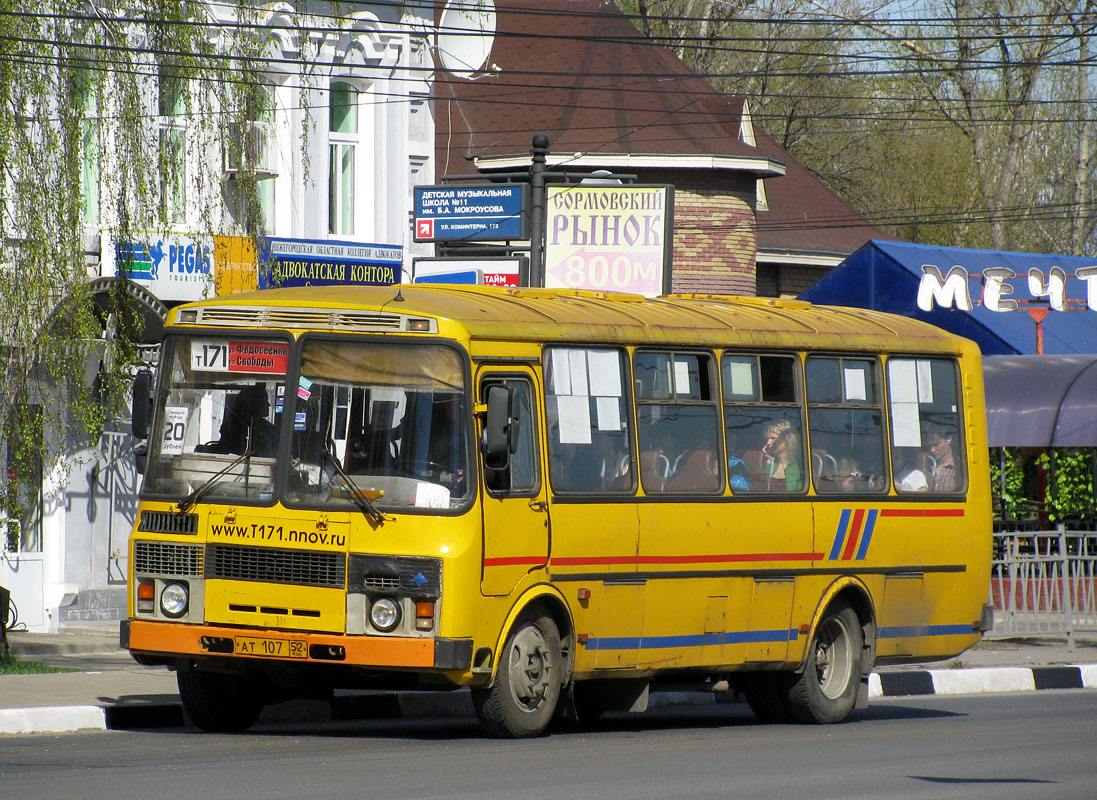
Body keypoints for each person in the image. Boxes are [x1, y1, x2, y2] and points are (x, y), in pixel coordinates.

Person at [198, 384, 278, 458]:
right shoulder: (233, 426)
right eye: (264, 401)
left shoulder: (270, 430)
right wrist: (203, 450)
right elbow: (225, 450)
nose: (268, 404)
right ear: (252, 404)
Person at [764, 421, 803, 491]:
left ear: (787, 439)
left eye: (773, 438)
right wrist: (761, 457)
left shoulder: (800, 466)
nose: (768, 443)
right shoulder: (767, 463)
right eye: (767, 439)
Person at [927, 427, 960, 492]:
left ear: (948, 439)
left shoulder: (959, 467)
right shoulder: (927, 466)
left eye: (936, 445)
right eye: (929, 446)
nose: (932, 450)